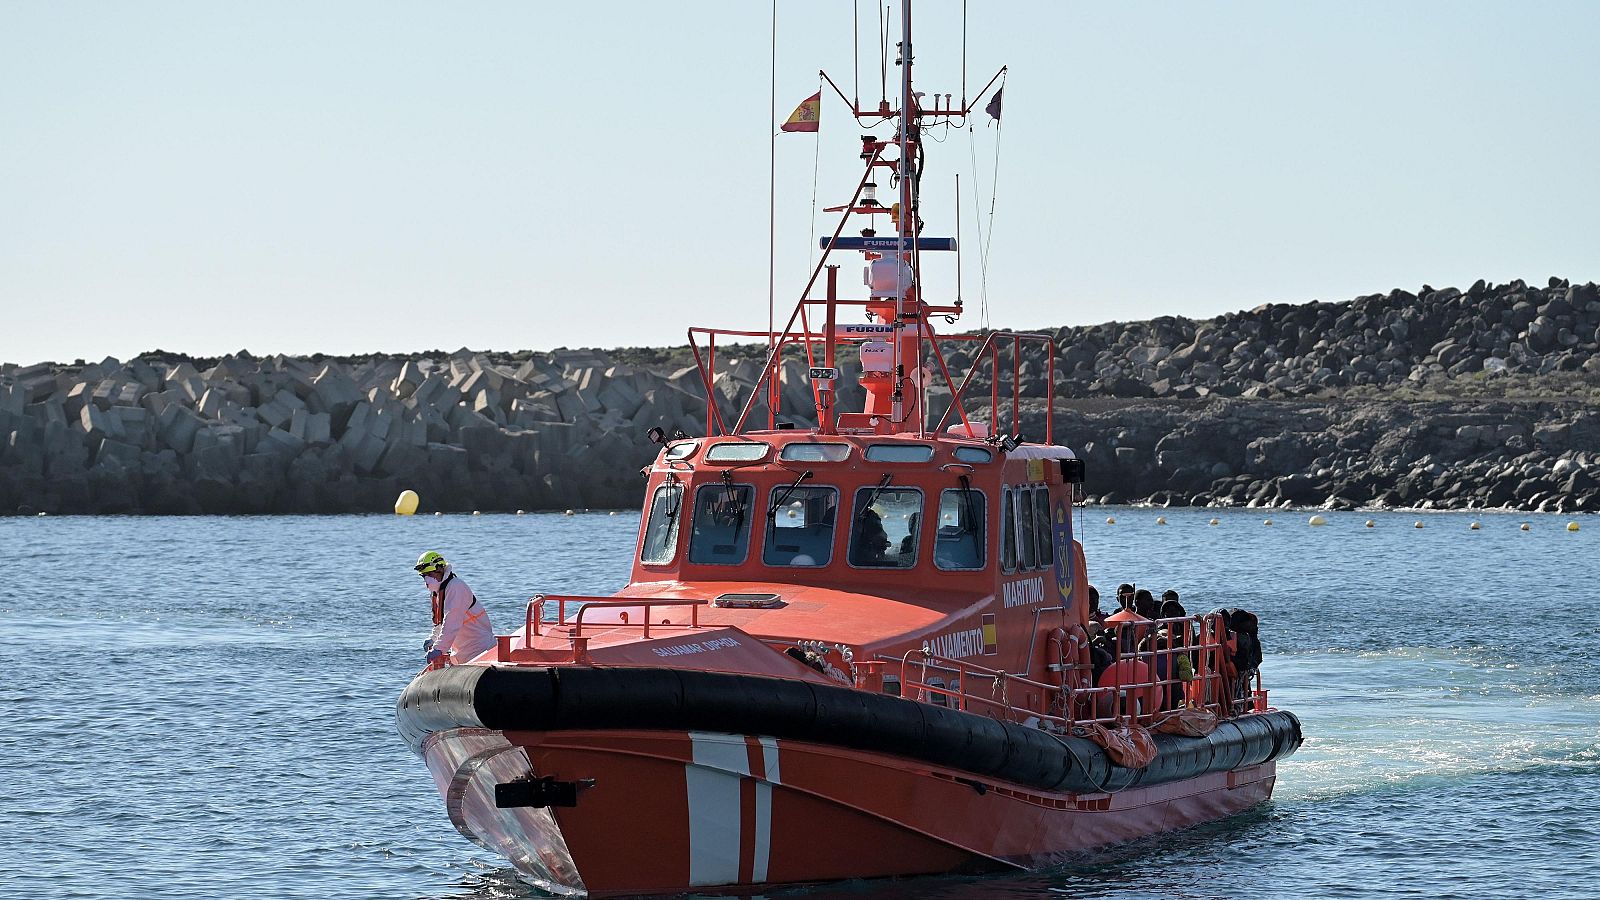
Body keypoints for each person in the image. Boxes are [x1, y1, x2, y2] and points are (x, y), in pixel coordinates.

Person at [416, 551, 496, 668]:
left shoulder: (456, 587)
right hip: (463, 654)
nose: (427, 580)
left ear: (439, 570)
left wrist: (439, 648)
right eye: (424, 576)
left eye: (429, 575)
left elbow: (452, 622)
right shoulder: (438, 592)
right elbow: (441, 623)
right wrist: (433, 638)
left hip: (480, 651)